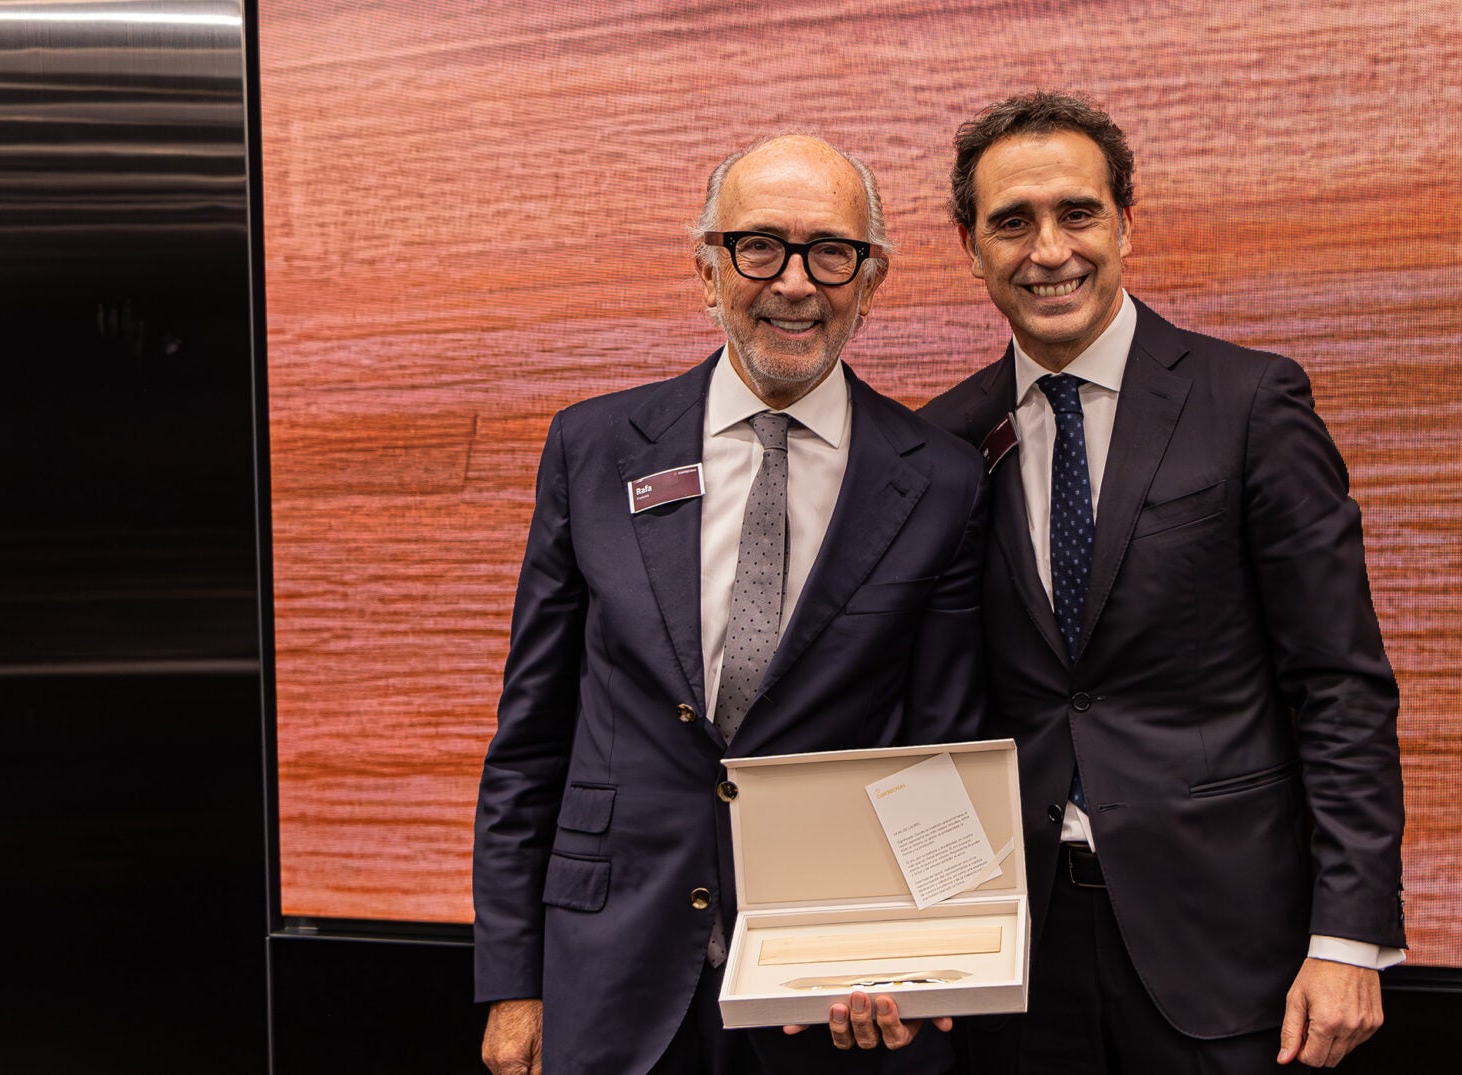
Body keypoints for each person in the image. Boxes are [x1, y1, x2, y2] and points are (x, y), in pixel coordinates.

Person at [473, 134, 987, 1075]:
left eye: (831, 252)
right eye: (759, 246)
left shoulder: (941, 483)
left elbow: (939, 752)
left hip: (825, 988)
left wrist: (922, 968)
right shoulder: (594, 449)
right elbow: (531, 738)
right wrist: (514, 979)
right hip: (609, 969)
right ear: (707, 267)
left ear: (872, 280)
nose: (794, 282)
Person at [917, 92, 1407, 1073]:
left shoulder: (1250, 403)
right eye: (1012, 222)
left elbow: (1340, 686)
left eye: (1077, 213)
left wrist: (1351, 935)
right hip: (1015, 961)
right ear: (970, 246)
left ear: (1126, 224)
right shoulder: (941, 442)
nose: (1049, 250)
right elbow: (929, 711)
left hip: (1227, 946)